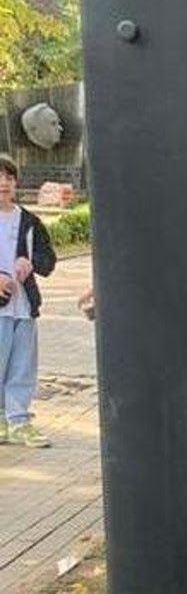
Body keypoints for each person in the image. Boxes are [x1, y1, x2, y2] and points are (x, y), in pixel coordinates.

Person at [0, 154, 56, 448]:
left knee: (22, 366)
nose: (3, 183)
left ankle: (19, 421)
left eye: (9, 177)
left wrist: (30, 262)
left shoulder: (29, 221)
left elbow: (49, 260)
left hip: (23, 307)